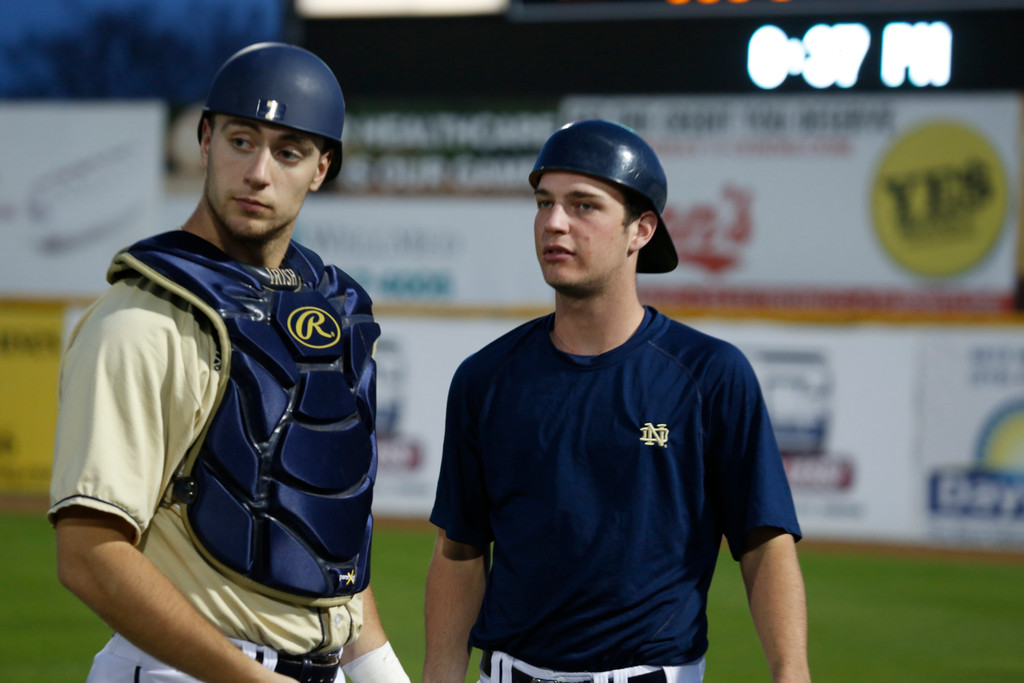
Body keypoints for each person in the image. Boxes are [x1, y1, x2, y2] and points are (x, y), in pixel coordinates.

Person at [49, 42, 410, 683]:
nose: (259, 173)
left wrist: (382, 675)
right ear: (205, 140)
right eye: (243, 140)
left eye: (289, 152)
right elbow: (89, 554)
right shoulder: (141, 321)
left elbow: (321, 535)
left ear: (321, 168)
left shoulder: (331, 316)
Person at [423, 120, 810, 683]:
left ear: (641, 231)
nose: (554, 223)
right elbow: (459, 551)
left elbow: (764, 545)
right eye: (544, 202)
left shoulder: (710, 375)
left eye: (584, 206)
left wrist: (791, 672)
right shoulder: (485, 378)